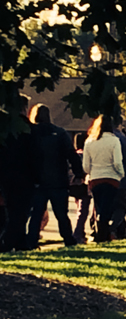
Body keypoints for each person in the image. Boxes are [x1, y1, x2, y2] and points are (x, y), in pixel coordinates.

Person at [27, 104, 84, 248]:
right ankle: (68, 240)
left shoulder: (30, 133)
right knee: (62, 214)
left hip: (37, 180)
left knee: (36, 214)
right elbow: (71, 155)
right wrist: (78, 173)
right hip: (58, 180)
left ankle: (31, 241)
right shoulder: (60, 133)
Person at [0, 94, 41, 252]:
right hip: (24, 176)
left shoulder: (4, 128)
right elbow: (35, 156)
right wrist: (37, 177)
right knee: (20, 212)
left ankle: (20, 242)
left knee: (11, 211)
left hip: (5, 175)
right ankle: (8, 242)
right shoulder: (28, 129)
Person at [82, 115, 124, 242]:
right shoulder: (114, 141)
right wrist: (121, 174)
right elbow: (117, 162)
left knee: (99, 206)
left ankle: (100, 233)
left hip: (95, 178)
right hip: (111, 178)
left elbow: (85, 166)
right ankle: (103, 235)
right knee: (108, 208)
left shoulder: (89, 141)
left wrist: (91, 172)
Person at [70, 133, 91, 244]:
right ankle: (78, 233)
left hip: (73, 185)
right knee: (84, 210)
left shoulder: (74, 154)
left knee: (79, 207)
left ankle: (81, 232)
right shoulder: (85, 154)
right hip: (84, 184)